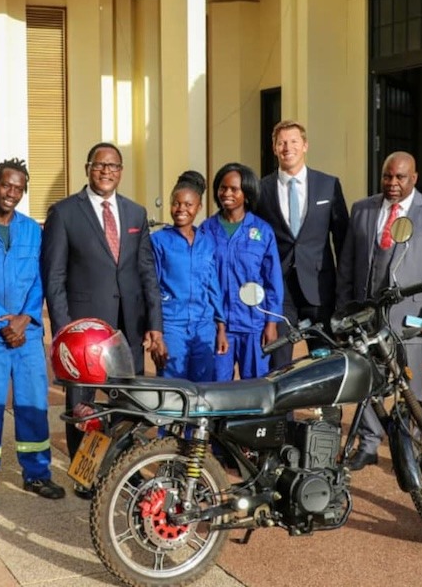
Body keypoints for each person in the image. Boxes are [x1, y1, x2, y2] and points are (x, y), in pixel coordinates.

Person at [40, 142, 163, 498]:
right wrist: (66, 332)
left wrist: (154, 323)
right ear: (87, 168)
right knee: (84, 405)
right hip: (85, 333)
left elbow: (146, 272)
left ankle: (125, 469)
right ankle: (86, 473)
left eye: (113, 166)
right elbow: (55, 278)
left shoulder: (136, 213)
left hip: (129, 329)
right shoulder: (64, 213)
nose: (106, 171)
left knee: (129, 405)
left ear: (121, 171)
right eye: (99, 165)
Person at [336, 152, 422, 470]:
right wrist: (345, 310)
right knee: (366, 384)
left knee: (410, 388)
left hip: (410, 321)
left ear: (414, 178)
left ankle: (414, 449)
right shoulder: (362, 209)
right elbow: (348, 263)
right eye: (387, 176)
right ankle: (368, 443)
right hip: (366, 320)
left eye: (400, 177)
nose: (392, 183)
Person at [0, 159, 65, 508]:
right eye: (6, 185)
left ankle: (37, 473)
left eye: (19, 188)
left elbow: (40, 279)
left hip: (28, 335)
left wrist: (27, 317)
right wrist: (3, 323)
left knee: (33, 404)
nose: (12, 193)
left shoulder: (33, 230)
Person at [256, 120, 348, 370]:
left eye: (294, 141)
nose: (288, 147)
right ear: (274, 148)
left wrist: (344, 290)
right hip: (280, 290)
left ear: (305, 145)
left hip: (319, 288)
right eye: (282, 143)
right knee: (279, 361)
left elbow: (342, 241)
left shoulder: (328, 185)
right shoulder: (261, 189)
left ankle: (327, 410)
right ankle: (282, 411)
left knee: (324, 361)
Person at [201, 163, 282, 380]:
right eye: (222, 188)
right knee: (217, 387)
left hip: (254, 325)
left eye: (233, 189)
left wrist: (271, 324)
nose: (226, 193)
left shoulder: (263, 231)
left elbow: (272, 280)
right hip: (218, 326)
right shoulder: (206, 230)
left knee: (255, 386)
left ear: (246, 194)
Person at [150, 170, 227, 381]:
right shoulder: (158, 241)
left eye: (188, 204)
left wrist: (220, 327)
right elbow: (151, 286)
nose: (181, 209)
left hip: (204, 328)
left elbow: (213, 287)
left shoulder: (206, 242)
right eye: (176, 203)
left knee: (203, 390)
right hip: (172, 326)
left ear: (199, 207)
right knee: (173, 392)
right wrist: (156, 333)